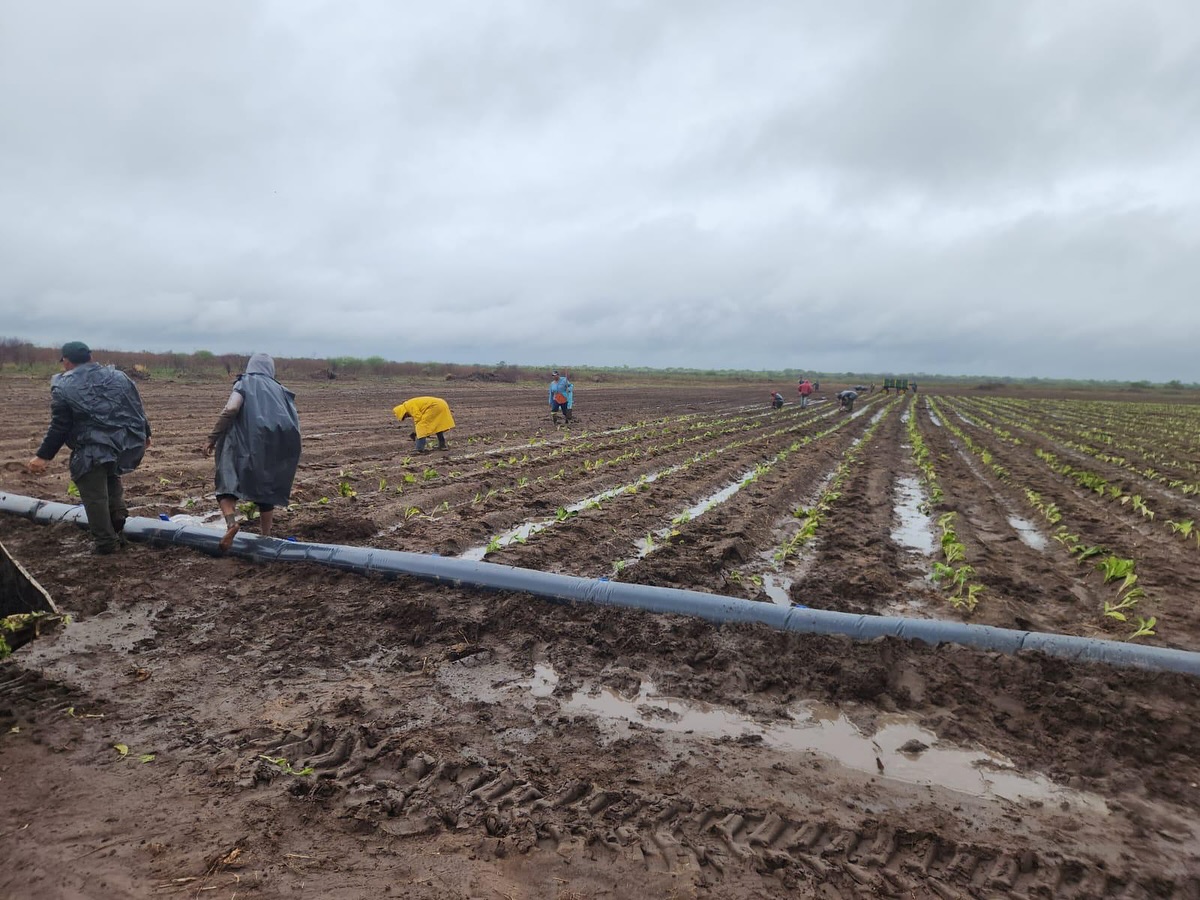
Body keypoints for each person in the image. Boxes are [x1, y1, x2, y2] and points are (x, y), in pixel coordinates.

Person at [28, 341, 152, 555]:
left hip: (91, 451)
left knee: (95, 498)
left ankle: (106, 544)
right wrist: (145, 433)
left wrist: (43, 456)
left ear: (66, 361)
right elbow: (135, 406)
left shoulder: (63, 386)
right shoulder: (119, 377)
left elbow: (60, 426)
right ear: (90, 357)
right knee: (112, 485)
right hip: (120, 445)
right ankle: (119, 532)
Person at [204, 353, 301, 552]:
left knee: (226, 487)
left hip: (241, 446)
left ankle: (232, 524)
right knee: (266, 492)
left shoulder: (245, 383)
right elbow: (292, 425)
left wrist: (212, 438)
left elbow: (231, 409)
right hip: (270, 448)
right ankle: (266, 537)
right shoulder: (281, 390)